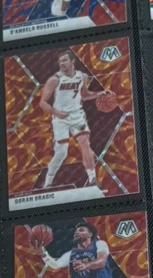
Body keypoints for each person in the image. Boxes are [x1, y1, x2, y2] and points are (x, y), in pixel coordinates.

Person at [38, 50, 105, 193]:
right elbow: (42, 102)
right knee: (61, 153)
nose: (61, 63)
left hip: (77, 116)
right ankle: (47, 184)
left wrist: (100, 93)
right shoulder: (54, 79)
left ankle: (93, 180)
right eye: (60, 61)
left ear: (72, 61)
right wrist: (57, 113)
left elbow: (85, 96)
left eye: (64, 60)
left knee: (85, 144)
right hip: (60, 118)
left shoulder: (82, 76)